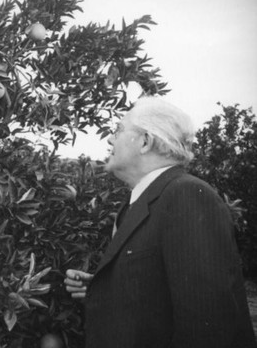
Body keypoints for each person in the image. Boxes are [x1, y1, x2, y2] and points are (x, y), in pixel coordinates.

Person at [64, 97, 256, 348]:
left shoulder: (186, 196)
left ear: (145, 141)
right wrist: (108, 288)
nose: (110, 139)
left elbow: (207, 325)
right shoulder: (139, 202)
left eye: (119, 130)